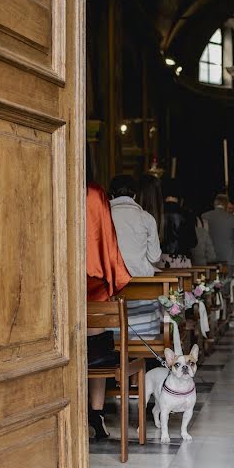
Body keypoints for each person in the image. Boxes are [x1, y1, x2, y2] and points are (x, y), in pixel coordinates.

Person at [86, 181, 131, 440]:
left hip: (55, 276)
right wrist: (113, 276)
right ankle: (96, 412)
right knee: (97, 348)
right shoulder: (93, 193)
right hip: (92, 276)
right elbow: (105, 236)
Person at [109, 174, 163, 339]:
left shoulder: (104, 216)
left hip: (113, 285)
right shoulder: (146, 218)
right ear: (135, 195)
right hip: (141, 284)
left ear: (111, 195)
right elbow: (154, 257)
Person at [202, 194, 234, 292]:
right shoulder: (233, 218)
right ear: (226, 204)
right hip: (228, 256)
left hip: (209, 256)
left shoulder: (205, 216)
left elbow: (202, 237)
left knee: (209, 286)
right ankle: (225, 301)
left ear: (215, 203)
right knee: (225, 286)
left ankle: (210, 303)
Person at [159, 180, 197, 268]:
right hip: (181, 261)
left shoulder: (157, 212)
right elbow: (193, 242)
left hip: (160, 260)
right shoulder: (187, 214)